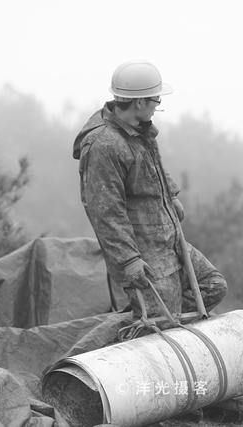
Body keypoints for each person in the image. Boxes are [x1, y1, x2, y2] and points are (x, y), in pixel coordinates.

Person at [73, 60, 227, 323]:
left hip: (169, 240)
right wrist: (129, 260)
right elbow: (105, 212)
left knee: (213, 285)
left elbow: (152, 167)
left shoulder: (139, 130)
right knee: (157, 329)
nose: (158, 105)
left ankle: (169, 320)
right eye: (156, 99)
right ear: (140, 102)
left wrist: (171, 195)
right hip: (145, 254)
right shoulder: (103, 145)